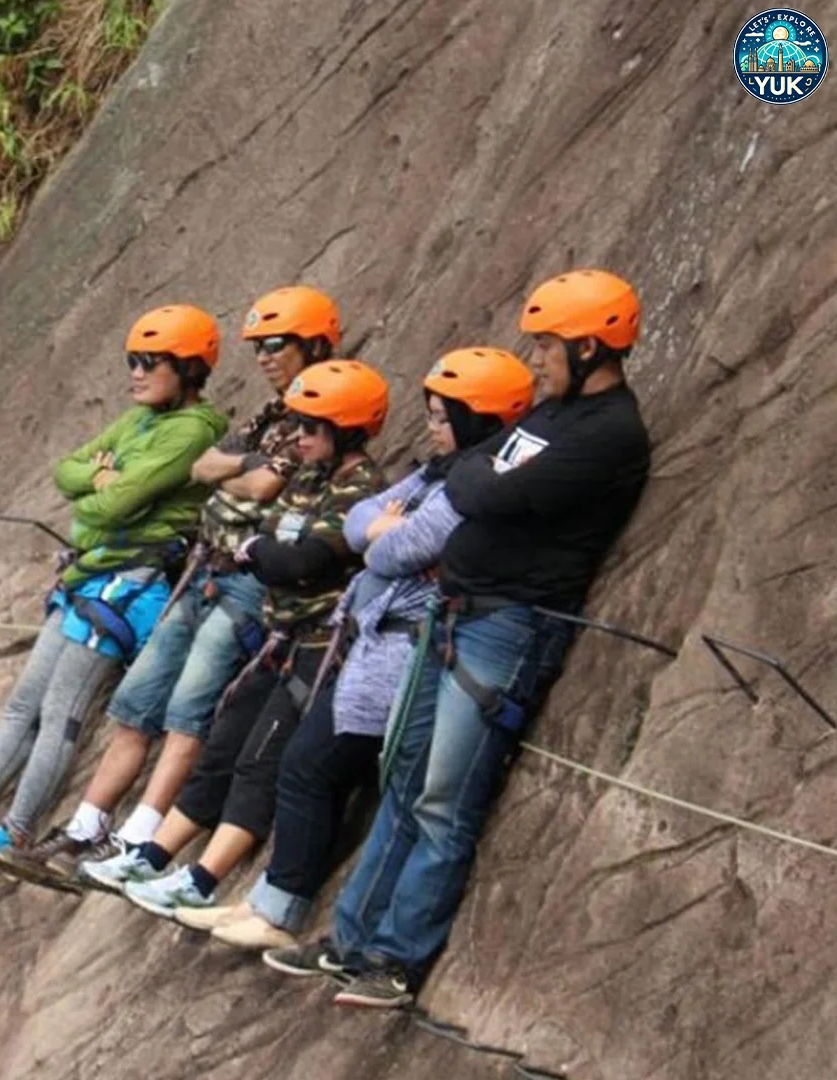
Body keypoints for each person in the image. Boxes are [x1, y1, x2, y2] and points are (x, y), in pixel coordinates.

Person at [263, 269, 653, 1009]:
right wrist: (474, 485)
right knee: (402, 781)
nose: (536, 357)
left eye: (547, 343)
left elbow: (478, 489)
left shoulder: (610, 433)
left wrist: (474, 487)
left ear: (593, 344)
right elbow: (470, 474)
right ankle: (350, 942)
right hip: (454, 614)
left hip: (508, 626)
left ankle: (395, 958)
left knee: (444, 794)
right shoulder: (550, 416)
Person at [188, 348, 536, 950]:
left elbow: (389, 548)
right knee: (304, 766)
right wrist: (378, 530)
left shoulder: (473, 481)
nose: (430, 426)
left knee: (311, 766)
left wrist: (380, 533)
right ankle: (274, 901)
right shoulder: (435, 471)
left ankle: (283, 911)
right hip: (372, 642)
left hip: (399, 648)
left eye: (440, 415)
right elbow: (363, 526)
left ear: (476, 419)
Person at [0, 287, 343, 887]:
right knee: (137, 702)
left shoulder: (328, 413)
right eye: (257, 346)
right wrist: (243, 465)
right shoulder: (267, 415)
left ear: (314, 343)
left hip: (245, 582)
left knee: (187, 712)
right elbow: (207, 468)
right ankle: (86, 826)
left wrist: (240, 470)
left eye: (275, 344)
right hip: (203, 568)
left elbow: (258, 486)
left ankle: (137, 841)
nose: (262, 356)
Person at [0, 305, 231, 858]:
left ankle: (18, 830)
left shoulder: (192, 431)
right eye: (131, 361)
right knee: (25, 702)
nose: (136, 373)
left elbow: (120, 504)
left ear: (188, 369)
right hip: (91, 575)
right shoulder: (139, 420)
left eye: (149, 362)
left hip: (126, 585)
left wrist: (103, 488)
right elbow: (67, 469)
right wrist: (101, 478)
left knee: (61, 710)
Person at [87, 361, 392, 913]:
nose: (299, 437)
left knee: (263, 758)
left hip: (319, 642)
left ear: (345, 430)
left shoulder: (362, 488)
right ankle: (151, 855)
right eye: (298, 425)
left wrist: (258, 553)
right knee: (224, 743)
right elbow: (268, 528)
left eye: (312, 428)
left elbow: (301, 559)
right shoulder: (309, 475)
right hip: (279, 632)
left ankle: (202, 879)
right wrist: (265, 551)